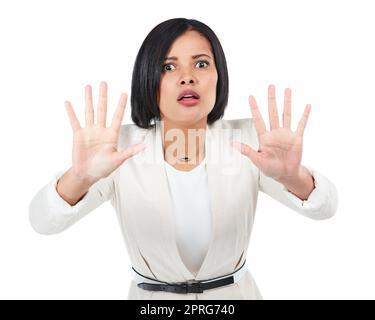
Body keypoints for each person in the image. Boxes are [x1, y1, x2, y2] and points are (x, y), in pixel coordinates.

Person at [28, 18, 338, 300]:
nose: (187, 78)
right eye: (168, 67)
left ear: (219, 76)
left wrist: (292, 177)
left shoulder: (250, 140)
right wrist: (80, 178)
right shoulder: (118, 147)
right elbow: (42, 222)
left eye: (201, 64)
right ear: (149, 78)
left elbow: (326, 208)